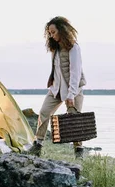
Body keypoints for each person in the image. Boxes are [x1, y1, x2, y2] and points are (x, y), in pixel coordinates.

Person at [27, 16, 87, 159]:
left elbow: (75, 72)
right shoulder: (55, 48)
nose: (52, 36)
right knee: (44, 112)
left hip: (73, 90)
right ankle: (38, 145)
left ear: (62, 30)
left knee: (74, 120)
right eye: (50, 33)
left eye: (53, 32)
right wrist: (54, 85)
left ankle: (79, 151)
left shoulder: (74, 47)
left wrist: (71, 95)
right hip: (56, 89)